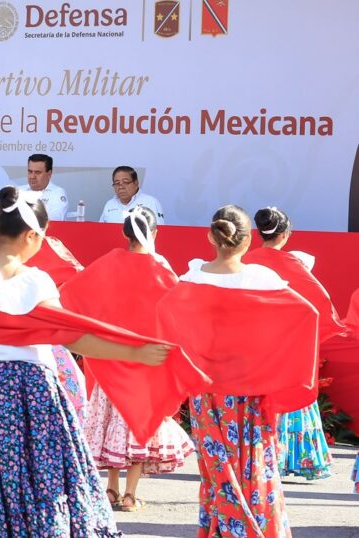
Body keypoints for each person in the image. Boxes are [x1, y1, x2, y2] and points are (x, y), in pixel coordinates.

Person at [0, 186, 194, 538]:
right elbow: (73, 336)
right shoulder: (33, 282)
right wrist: (134, 352)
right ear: (32, 235)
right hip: (31, 390)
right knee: (44, 479)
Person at [158, 205, 321, 538]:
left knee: (216, 468)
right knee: (255, 464)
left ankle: (223, 529)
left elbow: (165, 314)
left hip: (206, 390)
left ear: (211, 236)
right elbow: (308, 314)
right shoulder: (261, 279)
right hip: (250, 386)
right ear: (248, 241)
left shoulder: (192, 276)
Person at [60, 206, 195, 512]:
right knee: (138, 425)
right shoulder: (161, 269)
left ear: (124, 232)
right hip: (145, 361)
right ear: (155, 233)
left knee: (110, 424)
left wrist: (94, 330)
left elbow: (71, 293)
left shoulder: (108, 264)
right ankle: (131, 493)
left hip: (109, 360)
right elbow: (179, 311)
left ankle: (110, 488)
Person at [244, 206, 345, 481]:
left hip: (255, 346)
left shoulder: (246, 261)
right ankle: (296, 456)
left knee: (257, 401)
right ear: (285, 233)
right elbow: (320, 302)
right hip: (287, 346)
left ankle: (256, 456)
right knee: (292, 396)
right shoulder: (291, 263)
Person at [99, 166, 166, 223]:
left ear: (136, 183)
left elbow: (159, 231)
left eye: (125, 182)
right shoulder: (110, 204)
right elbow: (101, 230)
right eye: (117, 183)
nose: (121, 187)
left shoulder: (150, 202)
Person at [19, 153, 68, 220]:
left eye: (37, 172)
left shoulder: (57, 193)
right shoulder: (18, 191)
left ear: (49, 174)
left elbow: (55, 219)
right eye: (30, 171)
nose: (32, 177)